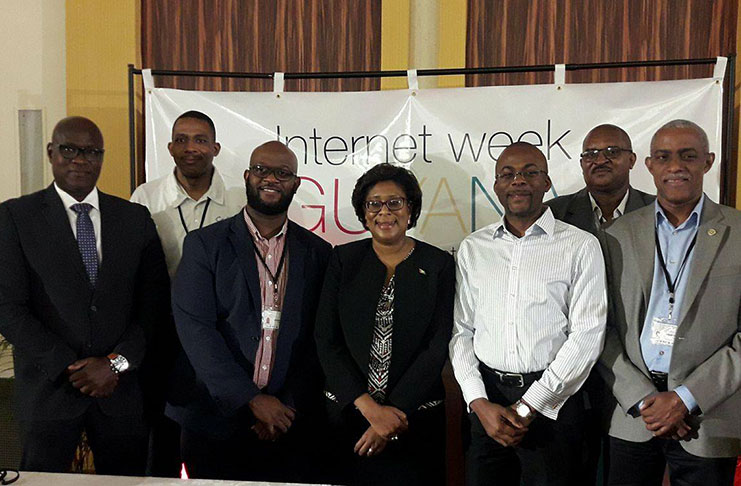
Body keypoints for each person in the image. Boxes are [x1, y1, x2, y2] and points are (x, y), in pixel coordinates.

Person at [0, 116, 170, 475]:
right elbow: (8, 308)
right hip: (49, 392)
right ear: (51, 152)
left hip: (119, 392)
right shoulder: (15, 217)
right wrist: (69, 367)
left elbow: (152, 307)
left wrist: (114, 364)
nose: (80, 160)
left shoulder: (134, 218)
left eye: (91, 152)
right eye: (69, 150)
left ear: (102, 158)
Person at [166, 141, 332, 482]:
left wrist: (284, 406)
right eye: (261, 170)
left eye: (283, 173)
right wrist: (251, 400)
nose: (271, 179)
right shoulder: (203, 245)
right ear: (247, 176)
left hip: (288, 422)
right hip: (212, 419)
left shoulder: (318, 252)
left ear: (296, 184)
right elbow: (196, 332)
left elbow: (320, 337)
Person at [450, 141, 607, 486]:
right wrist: (478, 402)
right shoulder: (474, 248)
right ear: (496, 186)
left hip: (553, 407)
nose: (518, 180)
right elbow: (461, 331)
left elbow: (587, 336)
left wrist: (529, 405)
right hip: (487, 406)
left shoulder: (579, 245)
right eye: (507, 174)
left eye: (529, 172)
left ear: (546, 183)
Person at [598, 120, 741, 486]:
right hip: (634, 415)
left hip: (708, 417)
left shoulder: (738, 232)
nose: (675, 166)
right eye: (664, 157)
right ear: (649, 165)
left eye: (688, 156)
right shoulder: (617, 235)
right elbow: (601, 329)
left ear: (708, 161)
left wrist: (686, 397)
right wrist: (644, 397)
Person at [315, 163, 455, 486]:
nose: (384, 212)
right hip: (348, 418)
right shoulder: (343, 260)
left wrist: (390, 415)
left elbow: (437, 346)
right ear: (364, 214)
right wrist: (370, 410)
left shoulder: (438, 264)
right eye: (373, 204)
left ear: (411, 210)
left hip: (415, 419)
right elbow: (326, 339)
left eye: (395, 202)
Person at [130, 110, 245, 477]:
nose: (190, 148)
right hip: (162, 333)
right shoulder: (146, 197)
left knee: (216, 439)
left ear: (215, 148)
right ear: (169, 147)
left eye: (199, 140)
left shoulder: (240, 200)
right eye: (181, 139)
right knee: (161, 435)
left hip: (222, 334)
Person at [546, 124, 654, 485]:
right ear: (580, 163)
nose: (600, 160)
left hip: (639, 368)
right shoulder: (555, 214)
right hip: (570, 372)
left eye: (612, 151)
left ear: (632, 160)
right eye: (591, 153)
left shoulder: (657, 211)